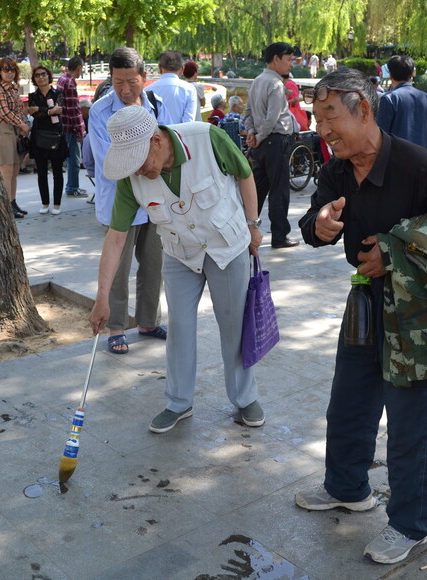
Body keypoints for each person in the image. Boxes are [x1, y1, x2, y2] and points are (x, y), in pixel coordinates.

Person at [295, 69, 427, 565]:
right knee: (350, 402)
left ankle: (409, 524)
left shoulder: (416, 165)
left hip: (421, 317)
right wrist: (318, 225)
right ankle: (346, 486)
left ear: (363, 107)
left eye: (331, 116)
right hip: (365, 303)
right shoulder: (337, 168)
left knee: (413, 423)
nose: (324, 130)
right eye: (318, 119)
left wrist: (398, 255)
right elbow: (313, 224)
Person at [89, 106, 266, 433]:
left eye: (141, 164)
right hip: (179, 253)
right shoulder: (133, 179)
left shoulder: (206, 137)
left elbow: (244, 175)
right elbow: (115, 239)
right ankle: (178, 402)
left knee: (233, 326)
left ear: (156, 141)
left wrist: (253, 223)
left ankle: (245, 398)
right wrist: (102, 298)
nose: (139, 173)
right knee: (180, 328)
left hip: (226, 246)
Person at [89, 47, 171, 354]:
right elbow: (107, 161)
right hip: (119, 200)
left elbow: (166, 148)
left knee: (154, 263)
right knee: (118, 269)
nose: (124, 89)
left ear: (144, 77)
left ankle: (148, 321)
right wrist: (146, 167)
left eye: (131, 81)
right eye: (118, 81)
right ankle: (117, 327)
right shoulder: (99, 111)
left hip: (155, 200)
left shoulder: (158, 105)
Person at [244, 42, 299, 249]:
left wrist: (252, 133)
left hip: (262, 142)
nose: (291, 64)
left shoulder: (257, 80)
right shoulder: (275, 84)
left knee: (258, 189)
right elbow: (272, 117)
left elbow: (248, 113)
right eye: (289, 60)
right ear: (276, 59)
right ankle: (279, 235)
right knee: (279, 190)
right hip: (275, 140)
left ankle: (245, 229)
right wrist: (258, 134)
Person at [0, 58, 30, 219]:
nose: (9, 72)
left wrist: (22, 127)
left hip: (15, 131)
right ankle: (6, 207)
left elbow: (19, 110)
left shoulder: (14, 89)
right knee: (6, 172)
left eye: (12, 69)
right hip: (4, 131)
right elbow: (4, 111)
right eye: (6, 69)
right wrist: (22, 124)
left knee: (14, 171)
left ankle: (13, 202)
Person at [27, 65, 68, 215]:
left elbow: (59, 109)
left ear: (48, 76)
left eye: (44, 74)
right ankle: (45, 203)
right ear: (34, 79)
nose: (41, 77)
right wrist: (49, 111)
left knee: (58, 171)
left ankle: (56, 204)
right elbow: (33, 113)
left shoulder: (58, 93)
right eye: (37, 75)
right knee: (41, 172)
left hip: (56, 135)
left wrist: (40, 109)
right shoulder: (33, 96)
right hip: (38, 137)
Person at [377, 54, 427, 150]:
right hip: (421, 158)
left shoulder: (389, 98)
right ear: (412, 73)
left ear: (390, 74)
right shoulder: (426, 99)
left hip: (396, 159)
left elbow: (380, 136)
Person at [56, 56, 89, 198]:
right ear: (79, 68)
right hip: (71, 126)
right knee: (74, 158)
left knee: (70, 158)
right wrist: (80, 129)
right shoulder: (70, 83)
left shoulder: (62, 79)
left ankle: (71, 186)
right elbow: (74, 108)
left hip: (63, 124)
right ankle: (73, 187)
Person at [147, 51, 199, 123]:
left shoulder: (148, 90)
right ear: (182, 69)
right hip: (181, 133)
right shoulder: (189, 89)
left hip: (157, 134)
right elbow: (188, 122)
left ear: (160, 67)